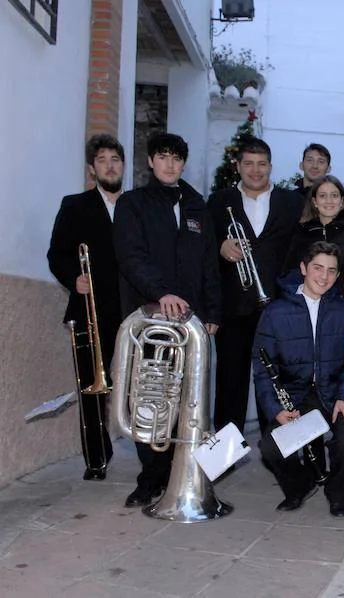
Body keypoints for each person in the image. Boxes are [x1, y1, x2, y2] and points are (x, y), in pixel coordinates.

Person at [114, 132, 222, 508]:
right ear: (150, 161)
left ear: (183, 163)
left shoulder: (197, 206)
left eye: (176, 158)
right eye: (163, 156)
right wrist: (161, 293)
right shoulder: (132, 204)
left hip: (192, 322)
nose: (170, 164)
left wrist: (211, 313)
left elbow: (209, 264)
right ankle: (151, 478)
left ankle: (186, 473)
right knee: (151, 396)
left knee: (189, 399)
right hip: (150, 317)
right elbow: (130, 256)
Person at [253, 241, 344, 514]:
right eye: (317, 268)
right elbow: (263, 367)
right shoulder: (275, 312)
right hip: (294, 395)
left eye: (331, 271)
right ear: (303, 268)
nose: (324, 276)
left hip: (332, 393)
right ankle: (299, 485)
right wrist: (275, 410)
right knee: (271, 447)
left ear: (337, 276)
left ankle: (338, 493)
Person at [208, 137, 304, 435]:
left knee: (277, 382)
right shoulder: (219, 201)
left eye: (262, 164)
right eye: (248, 163)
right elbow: (199, 247)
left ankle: (275, 449)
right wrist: (219, 247)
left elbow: (309, 239)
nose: (255, 170)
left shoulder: (292, 202)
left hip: (277, 306)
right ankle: (227, 451)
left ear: (271, 167)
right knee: (230, 382)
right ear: (237, 166)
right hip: (234, 307)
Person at [47, 134, 125, 481]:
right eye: (103, 160)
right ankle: (96, 459)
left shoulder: (135, 206)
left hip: (127, 310)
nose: (110, 165)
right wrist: (73, 278)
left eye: (115, 159)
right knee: (92, 387)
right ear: (92, 169)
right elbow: (56, 254)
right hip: (89, 311)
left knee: (131, 385)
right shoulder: (74, 205)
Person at [282, 175, 344, 299]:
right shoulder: (301, 233)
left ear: (342, 201)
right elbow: (289, 273)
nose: (329, 201)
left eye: (334, 195)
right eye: (322, 196)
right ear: (314, 202)